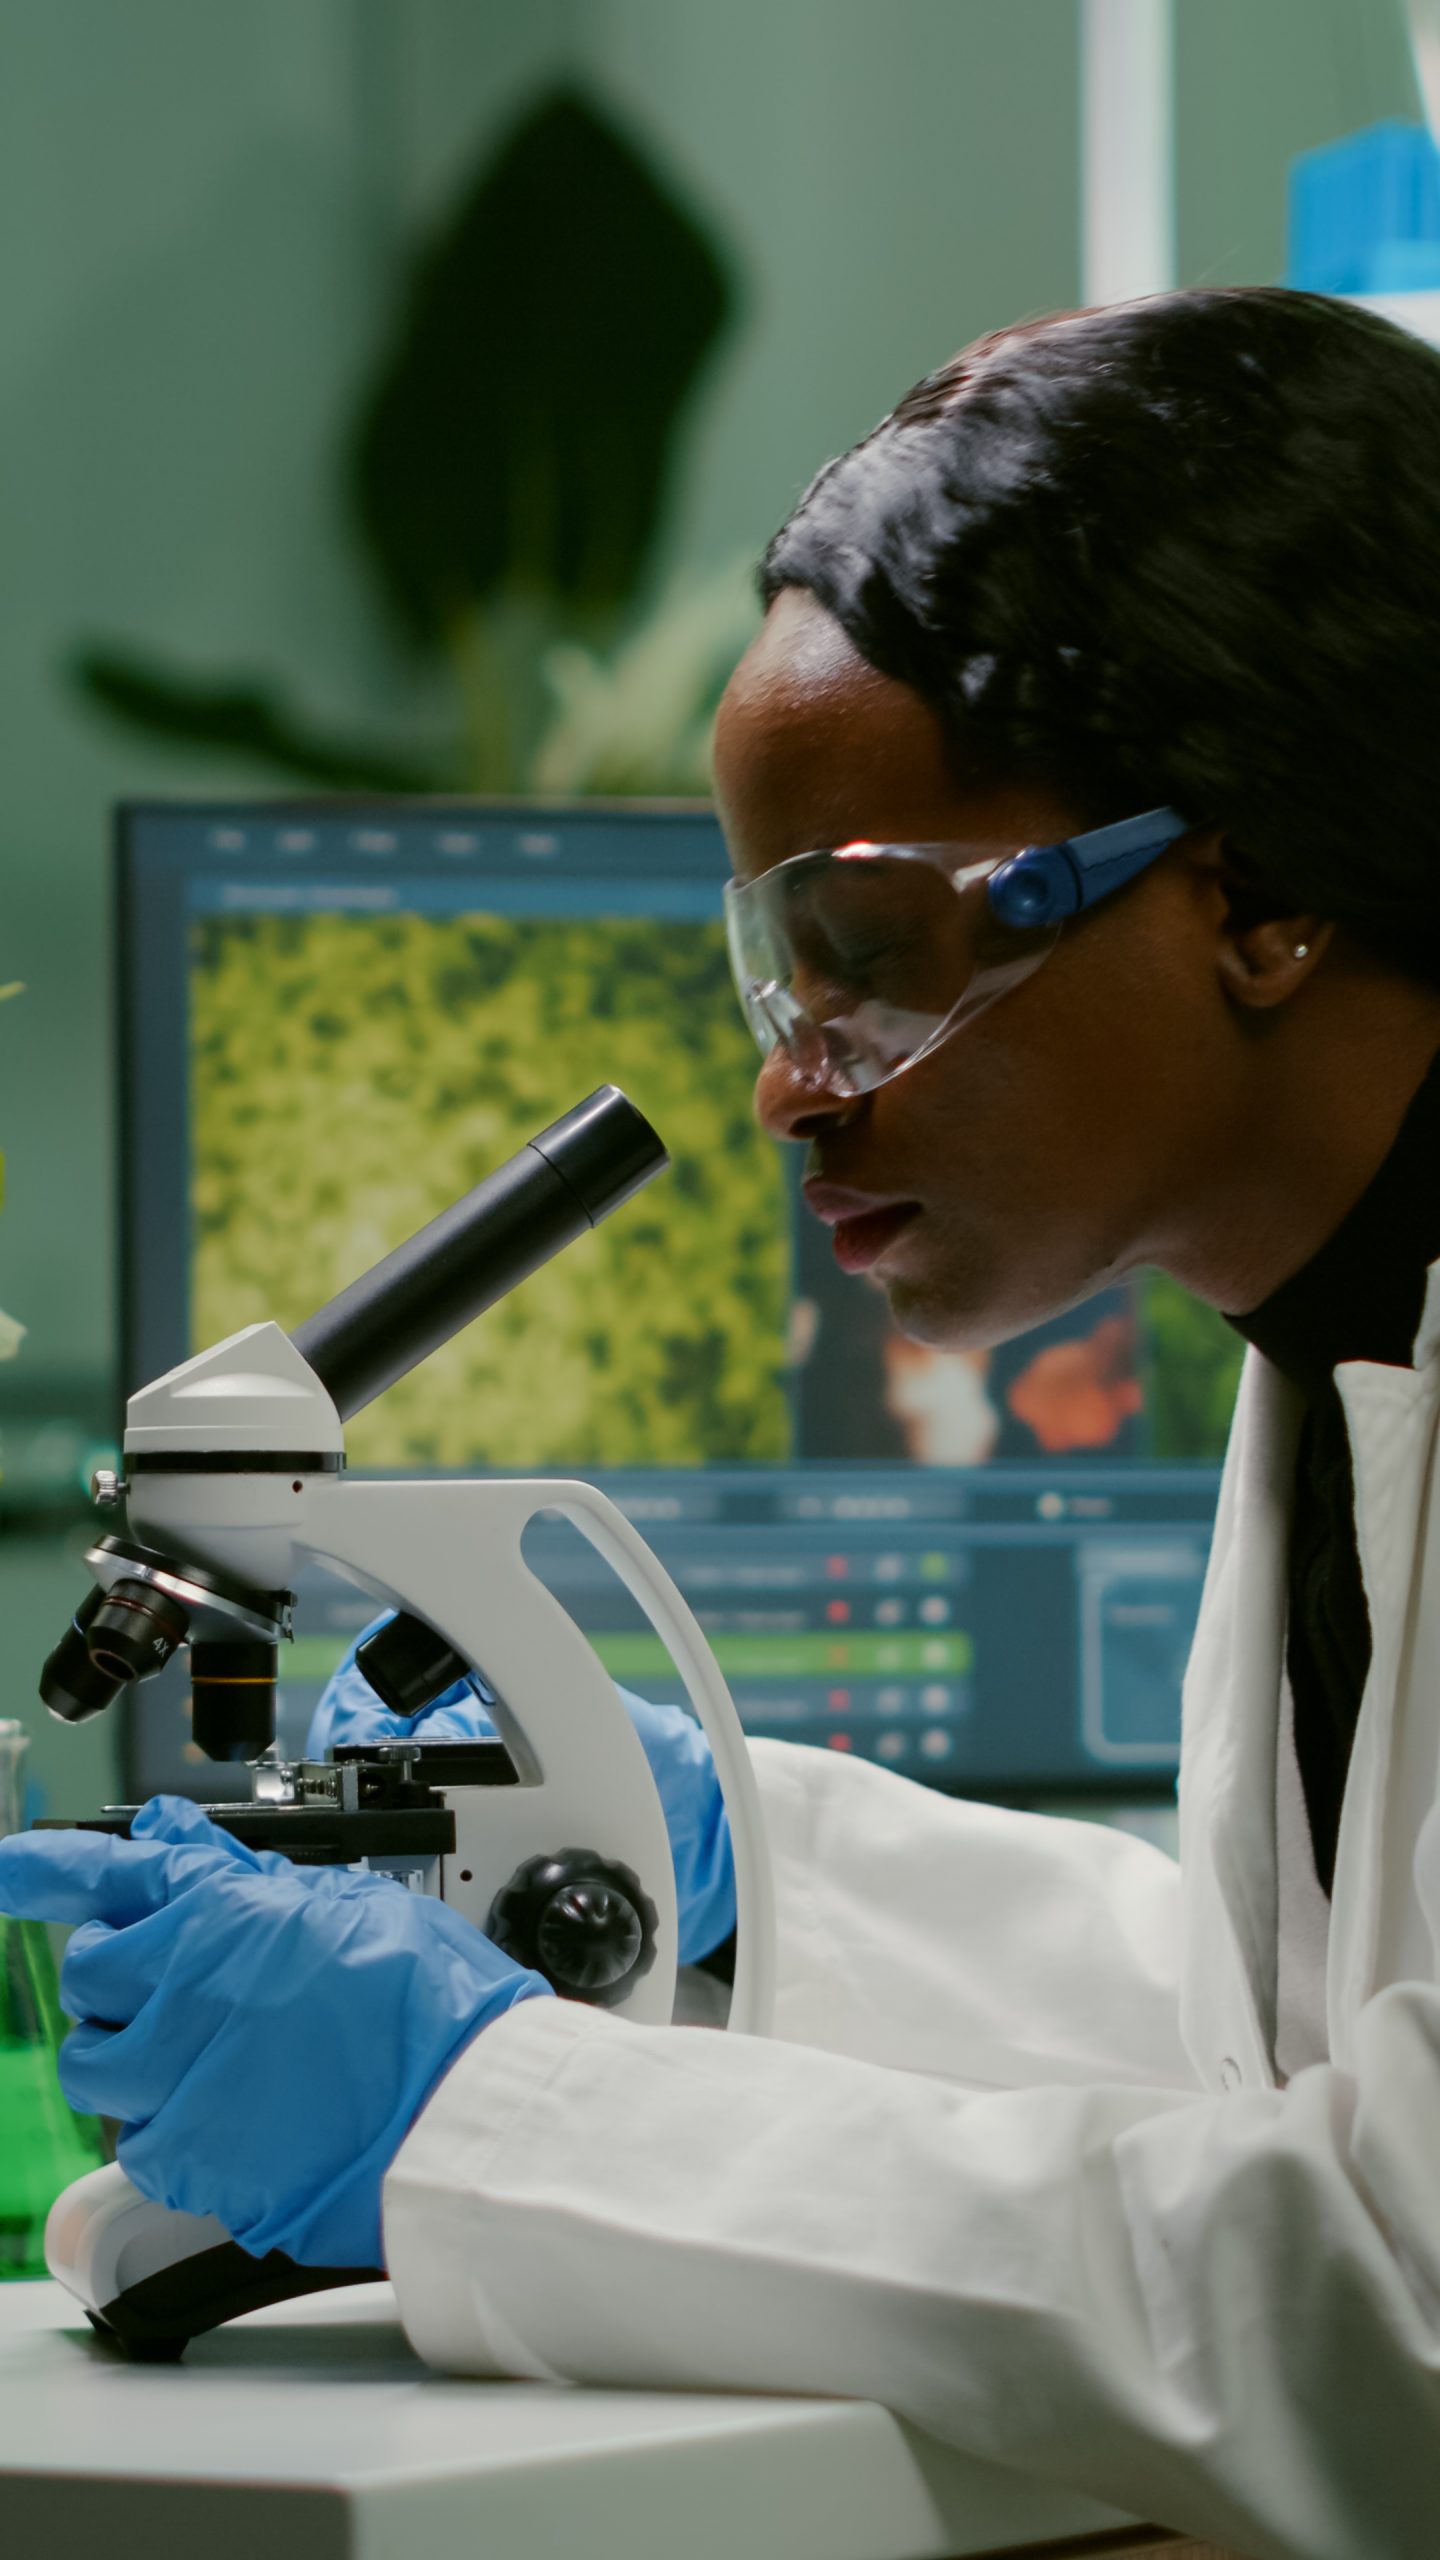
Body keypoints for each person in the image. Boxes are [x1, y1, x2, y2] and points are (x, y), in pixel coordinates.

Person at [5, 285, 1440, 2556]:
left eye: (868, 953)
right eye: (775, 975)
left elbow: (1399, 2307)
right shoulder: (1341, 1348)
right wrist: (744, 1878)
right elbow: (1301, 2060)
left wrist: (482, 2104)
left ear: (1251, 894)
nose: (789, 1083)